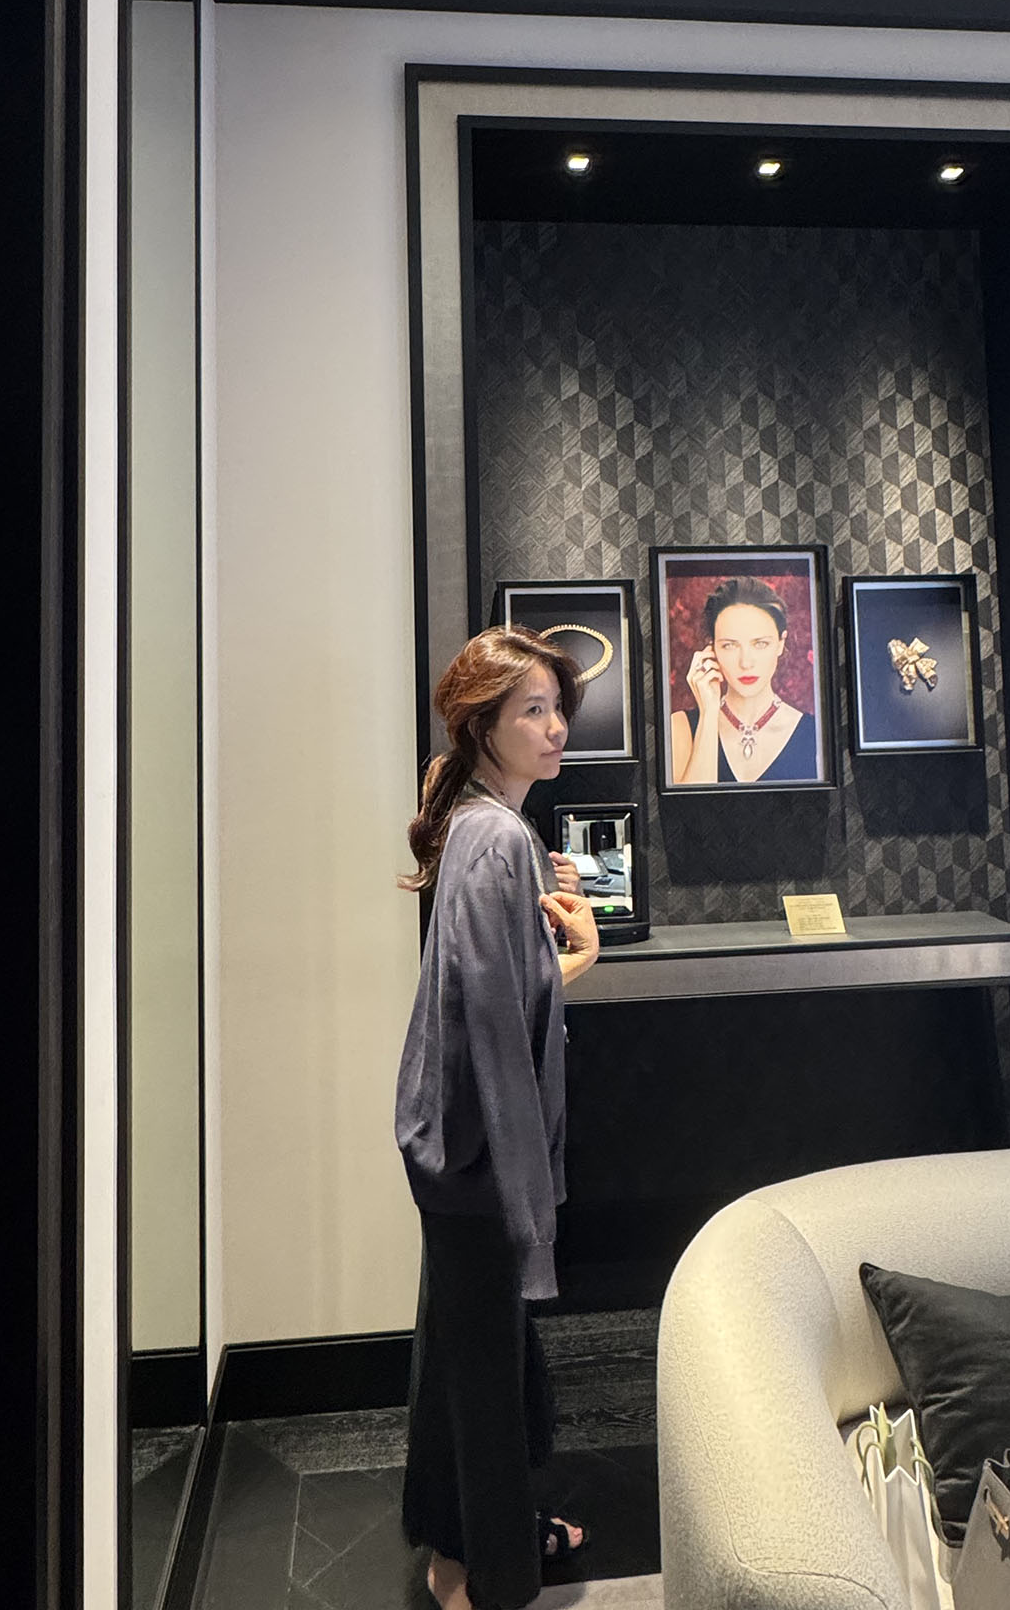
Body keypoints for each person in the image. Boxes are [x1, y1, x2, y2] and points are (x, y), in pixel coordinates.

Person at [395, 626, 602, 1610]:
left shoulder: (480, 825)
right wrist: (527, 1199)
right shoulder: (500, 837)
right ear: (484, 725)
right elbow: (494, 1021)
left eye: (559, 707)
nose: (555, 727)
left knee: (464, 1355)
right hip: (475, 1149)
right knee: (485, 1377)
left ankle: (462, 1546)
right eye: (533, 709)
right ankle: (492, 1580)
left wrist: (568, 957)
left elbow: (496, 991)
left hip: (451, 1141)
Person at [669, 574, 819, 784]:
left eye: (760, 644)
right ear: (711, 649)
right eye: (729, 645)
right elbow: (691, 804)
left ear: (780, 643)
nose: (746, 662)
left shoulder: (815, 733)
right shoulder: (680, 727)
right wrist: (709, 714)